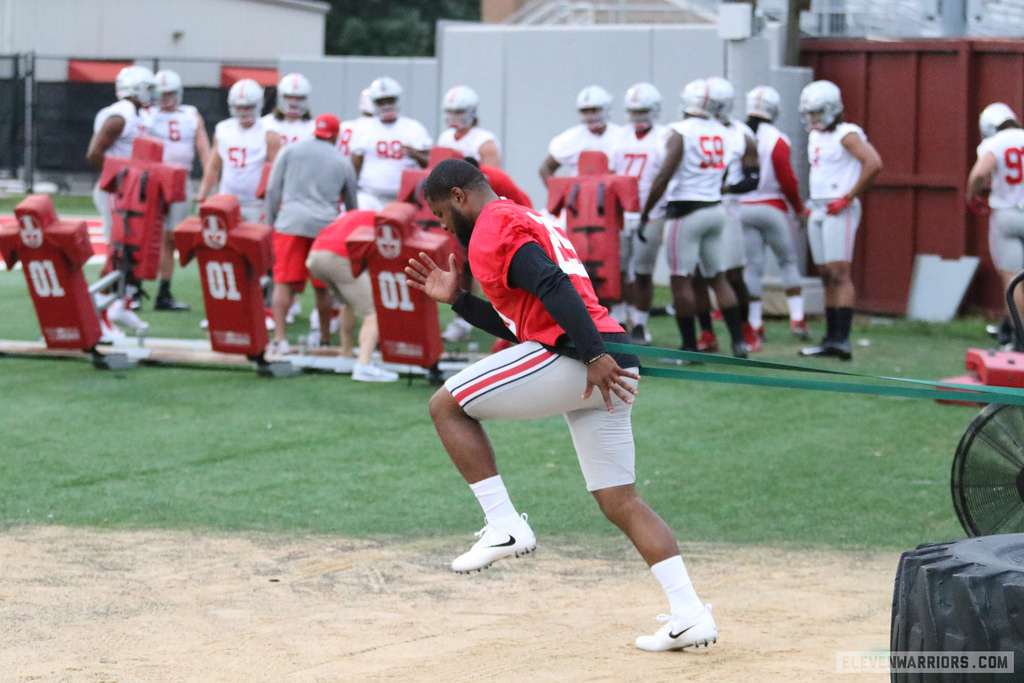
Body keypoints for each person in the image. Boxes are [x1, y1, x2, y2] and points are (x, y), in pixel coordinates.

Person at [404, 158, 716, 652]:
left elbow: (551, 284)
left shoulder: (491, 225)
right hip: (608, 355)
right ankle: (690, 612)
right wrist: (461, 302)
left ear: (460, 197)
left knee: (447, 406)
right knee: (622, 501)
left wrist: (591, 355)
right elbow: (525, 322)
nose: (444, 227)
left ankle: (505, 525)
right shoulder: (527, 216)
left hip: (580, 357)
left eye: (442, 215)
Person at [640, 78, 749, 359]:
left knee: (681, 280)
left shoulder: (680, 131)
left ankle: (689, 347)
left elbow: (664, 176)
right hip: (715, 208)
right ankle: (739, 342)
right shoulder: (725, 132)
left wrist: (646, 212)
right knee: (718, 277)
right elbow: (725, 172)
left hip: (686, 213)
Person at [797, 80, 883, 360]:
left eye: (817, 113)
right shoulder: (816, 136)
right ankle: (830, 338)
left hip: (838, 208)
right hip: (819, 206)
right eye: (810, 113)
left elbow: (873, 163)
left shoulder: (847, 134)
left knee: (838, 272)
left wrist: (847, 196)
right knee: (825, 274)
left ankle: (842, 339)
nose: (812, 119)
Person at [263, 113, 358, 355]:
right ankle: (325, 338)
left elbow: (273, 188)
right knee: (322, 286)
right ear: (335, 135)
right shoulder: (341, 161)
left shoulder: (290, 151)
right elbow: (352, 206)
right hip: (323, 227)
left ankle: (279, 338)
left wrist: (274, 222)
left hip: (289, 224)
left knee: (282, 283)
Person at [85, 64, 156, 337]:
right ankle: (98, 313)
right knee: (117, 253)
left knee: (131, 253)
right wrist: (122, 181)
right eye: (149, 88)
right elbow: (94, 153)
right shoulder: (120, 116)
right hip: (115, 192)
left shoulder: (135, 114)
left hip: (128, 192)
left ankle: (121, 303)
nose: (153, 94)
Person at [740, 85, 810, 342]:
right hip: (772, 208)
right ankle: (797, 318)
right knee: (788, 262)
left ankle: (756, 323)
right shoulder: (777, 139)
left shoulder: (738, 134)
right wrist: (798, 208)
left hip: (744, 207)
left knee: (753, 268)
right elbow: (787, 179)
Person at [611, 82, 673, 345]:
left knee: (644, 271)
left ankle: (640, 323)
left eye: (643, 111)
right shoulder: (618, 136)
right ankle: (622, 318)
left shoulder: (665, 136)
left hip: (652, 211)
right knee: (621, 269)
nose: (637, 117)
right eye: (634, 111)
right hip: (622, 212)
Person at [306, 209, 399, 382]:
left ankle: (346, 354)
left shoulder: (354, 215)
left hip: (315, 256)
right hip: (337, 256)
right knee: (375, 311)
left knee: (347, 303)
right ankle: (363, 365)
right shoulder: (382, 220)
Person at [147, 68, 212, 311]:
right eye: (162, 94)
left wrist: (208, 181)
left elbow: (205, 151)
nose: (166, 99)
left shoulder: (190, 115)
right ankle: (131, 290)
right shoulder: (148, 115)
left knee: (171, 237)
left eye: (170, 94)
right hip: (153, 179)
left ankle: (164, 290)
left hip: (180, 180)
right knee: (143, 236)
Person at [703, 76, 760, 352]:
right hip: (700, 209)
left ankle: (746, 331)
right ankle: (706, 333)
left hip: (728, 212)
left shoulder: (741, 135)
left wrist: (727, 187)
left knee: (733, 276)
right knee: (696, 276)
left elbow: (752, 180)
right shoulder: (691, 130)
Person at [967, 102, 1024, 347]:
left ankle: (1019, 338)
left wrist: (973, 195)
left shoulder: (994, 143)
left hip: (1006, 214)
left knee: (1013, 280)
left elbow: (980, 173)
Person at [198, 78, 279, 223]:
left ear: (259, 104)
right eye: (239, 107)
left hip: (256, 203)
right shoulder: (223, 130)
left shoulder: (268, 133)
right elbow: (213, 168)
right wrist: (202, 196)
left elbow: (278, 173)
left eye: (248, 107)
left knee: (253, 243)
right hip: (227, 200)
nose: (243, 112)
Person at [350, 76, 432, 206]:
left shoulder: (413, 128)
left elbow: (431, 164)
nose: (386, 106)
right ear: (373, 103)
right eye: (381, 102)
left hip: (406, 197)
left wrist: (416, 155)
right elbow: (355, 165)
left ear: (397, 100)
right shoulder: (363, 129)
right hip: (370, 195)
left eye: (390, 101)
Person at [539, 85, 624, 184]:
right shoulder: (572, 138)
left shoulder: (622, 136)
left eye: (594, 110)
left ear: (605, 109)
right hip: (582, 197)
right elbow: (545, 168)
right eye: (585, 111)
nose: (590, 115)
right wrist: (559, 195)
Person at [436, 85, 501, 167]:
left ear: (471, 112)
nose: (453, 116)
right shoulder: (444, 138)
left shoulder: (484, 141)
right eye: (450, 112)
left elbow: (492, 176)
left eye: (458, 112)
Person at [263, 73, 315, 151]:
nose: (293, 102)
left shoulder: (313, 127)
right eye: (289, 97)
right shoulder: (265, 124)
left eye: (299, 98)